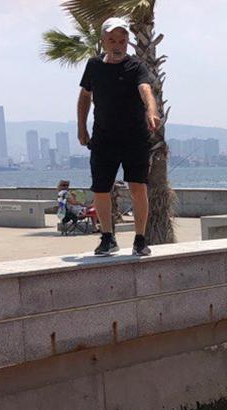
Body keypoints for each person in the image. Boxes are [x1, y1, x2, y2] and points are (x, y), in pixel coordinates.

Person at [77, 17, 162, 257]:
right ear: (103, 41)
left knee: (138, 186)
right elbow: (85, 96)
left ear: (127, 42)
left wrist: (152, 111)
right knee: (101, 188)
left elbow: (145, 89)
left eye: (122, 40)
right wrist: (81, 127)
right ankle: (107, 238)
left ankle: (140, 239)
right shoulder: (94, 66)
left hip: (134, 137)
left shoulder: (136, 66)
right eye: (112, 40)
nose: (118, 45)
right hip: (103, 138)